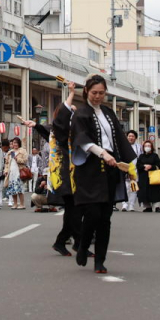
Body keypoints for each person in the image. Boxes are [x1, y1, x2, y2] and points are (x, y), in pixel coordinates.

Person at [71, 75, 135, 273]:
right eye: (94, 93)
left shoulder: (108, 112)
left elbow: (119, 139)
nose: (98, 96)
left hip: (110, 167)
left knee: (105, 217)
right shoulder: (81, 113)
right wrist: (102, 153)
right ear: (86, 92)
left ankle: (100, 260)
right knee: (92, 213)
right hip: (90, 167)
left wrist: (129, 166)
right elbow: (82, 140)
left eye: (101, 93)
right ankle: (82, 245)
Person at [46, 83, 79, 256]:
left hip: (70, 174)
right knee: (74, 210)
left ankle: (72, 242)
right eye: (70, 113)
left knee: (73, 210)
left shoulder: (65, 132)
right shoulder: (59, 130)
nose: (72, 115)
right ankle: (72, 242)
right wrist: (71, 93)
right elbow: (62, 119)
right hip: (64, 175)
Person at [135, 139, 160, 212]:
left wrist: (151, 166)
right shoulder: (141, 156)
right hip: (143, 177)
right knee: (144, 192)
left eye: (149, 145)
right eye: (146, 146)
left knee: (155, 191)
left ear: (151, 147)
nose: (147, 147)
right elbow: (138, 165)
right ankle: (148, 207)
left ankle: (157, 207)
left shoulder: (155, 156)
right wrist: (144, 166)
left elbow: (158, 165)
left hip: (153, 176)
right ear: (143, 147)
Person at [4, 135, 28, 210]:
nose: (15, 144)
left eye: (17, 143)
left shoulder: (23, 151)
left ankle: (22, 204)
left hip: (19, 171)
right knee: (12, 189)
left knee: (19, 188)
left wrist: (17, 158)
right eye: (14, 143)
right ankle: (15, 203)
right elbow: (7, 163)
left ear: (19, 144)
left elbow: (25, 160)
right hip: (11, 171)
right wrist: (6, 170)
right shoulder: (10, 152)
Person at [121, 131, 142, 211]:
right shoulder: (123, 146)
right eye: (129, 136)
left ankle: (131, 205)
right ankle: (124, 204)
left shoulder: (139, 147)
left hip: (135, 171)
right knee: (125, 187)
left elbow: (140, 157)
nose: (131, 138)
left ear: (135, 138)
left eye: (132, 136)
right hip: (125, 169)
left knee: (133, 188)